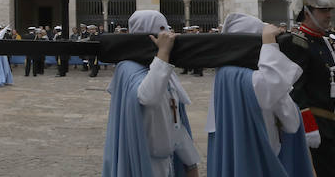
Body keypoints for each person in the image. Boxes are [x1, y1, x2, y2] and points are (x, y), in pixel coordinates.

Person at [206, 13, 313, 176]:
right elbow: (289, 118)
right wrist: (269, 44)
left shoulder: (225, 73)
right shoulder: (241, 77)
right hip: (260, 160)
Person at [103, 10, 200, 177]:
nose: (168, 36)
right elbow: (148, 97)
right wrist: (163, 54)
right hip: (143, 162)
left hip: (167, 162)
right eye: (162, 30)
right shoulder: (127, 68)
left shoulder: (163, 70)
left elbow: (175, 119)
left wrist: (190, 161)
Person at [279, 0, 335, 177]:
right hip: (313, 128)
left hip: (331, 126)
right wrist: (308, 128)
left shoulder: (324, 41)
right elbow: (294, 89)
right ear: (307, 12)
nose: (329, 14)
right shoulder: (297, 43)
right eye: (323, 9)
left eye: (329, 9)